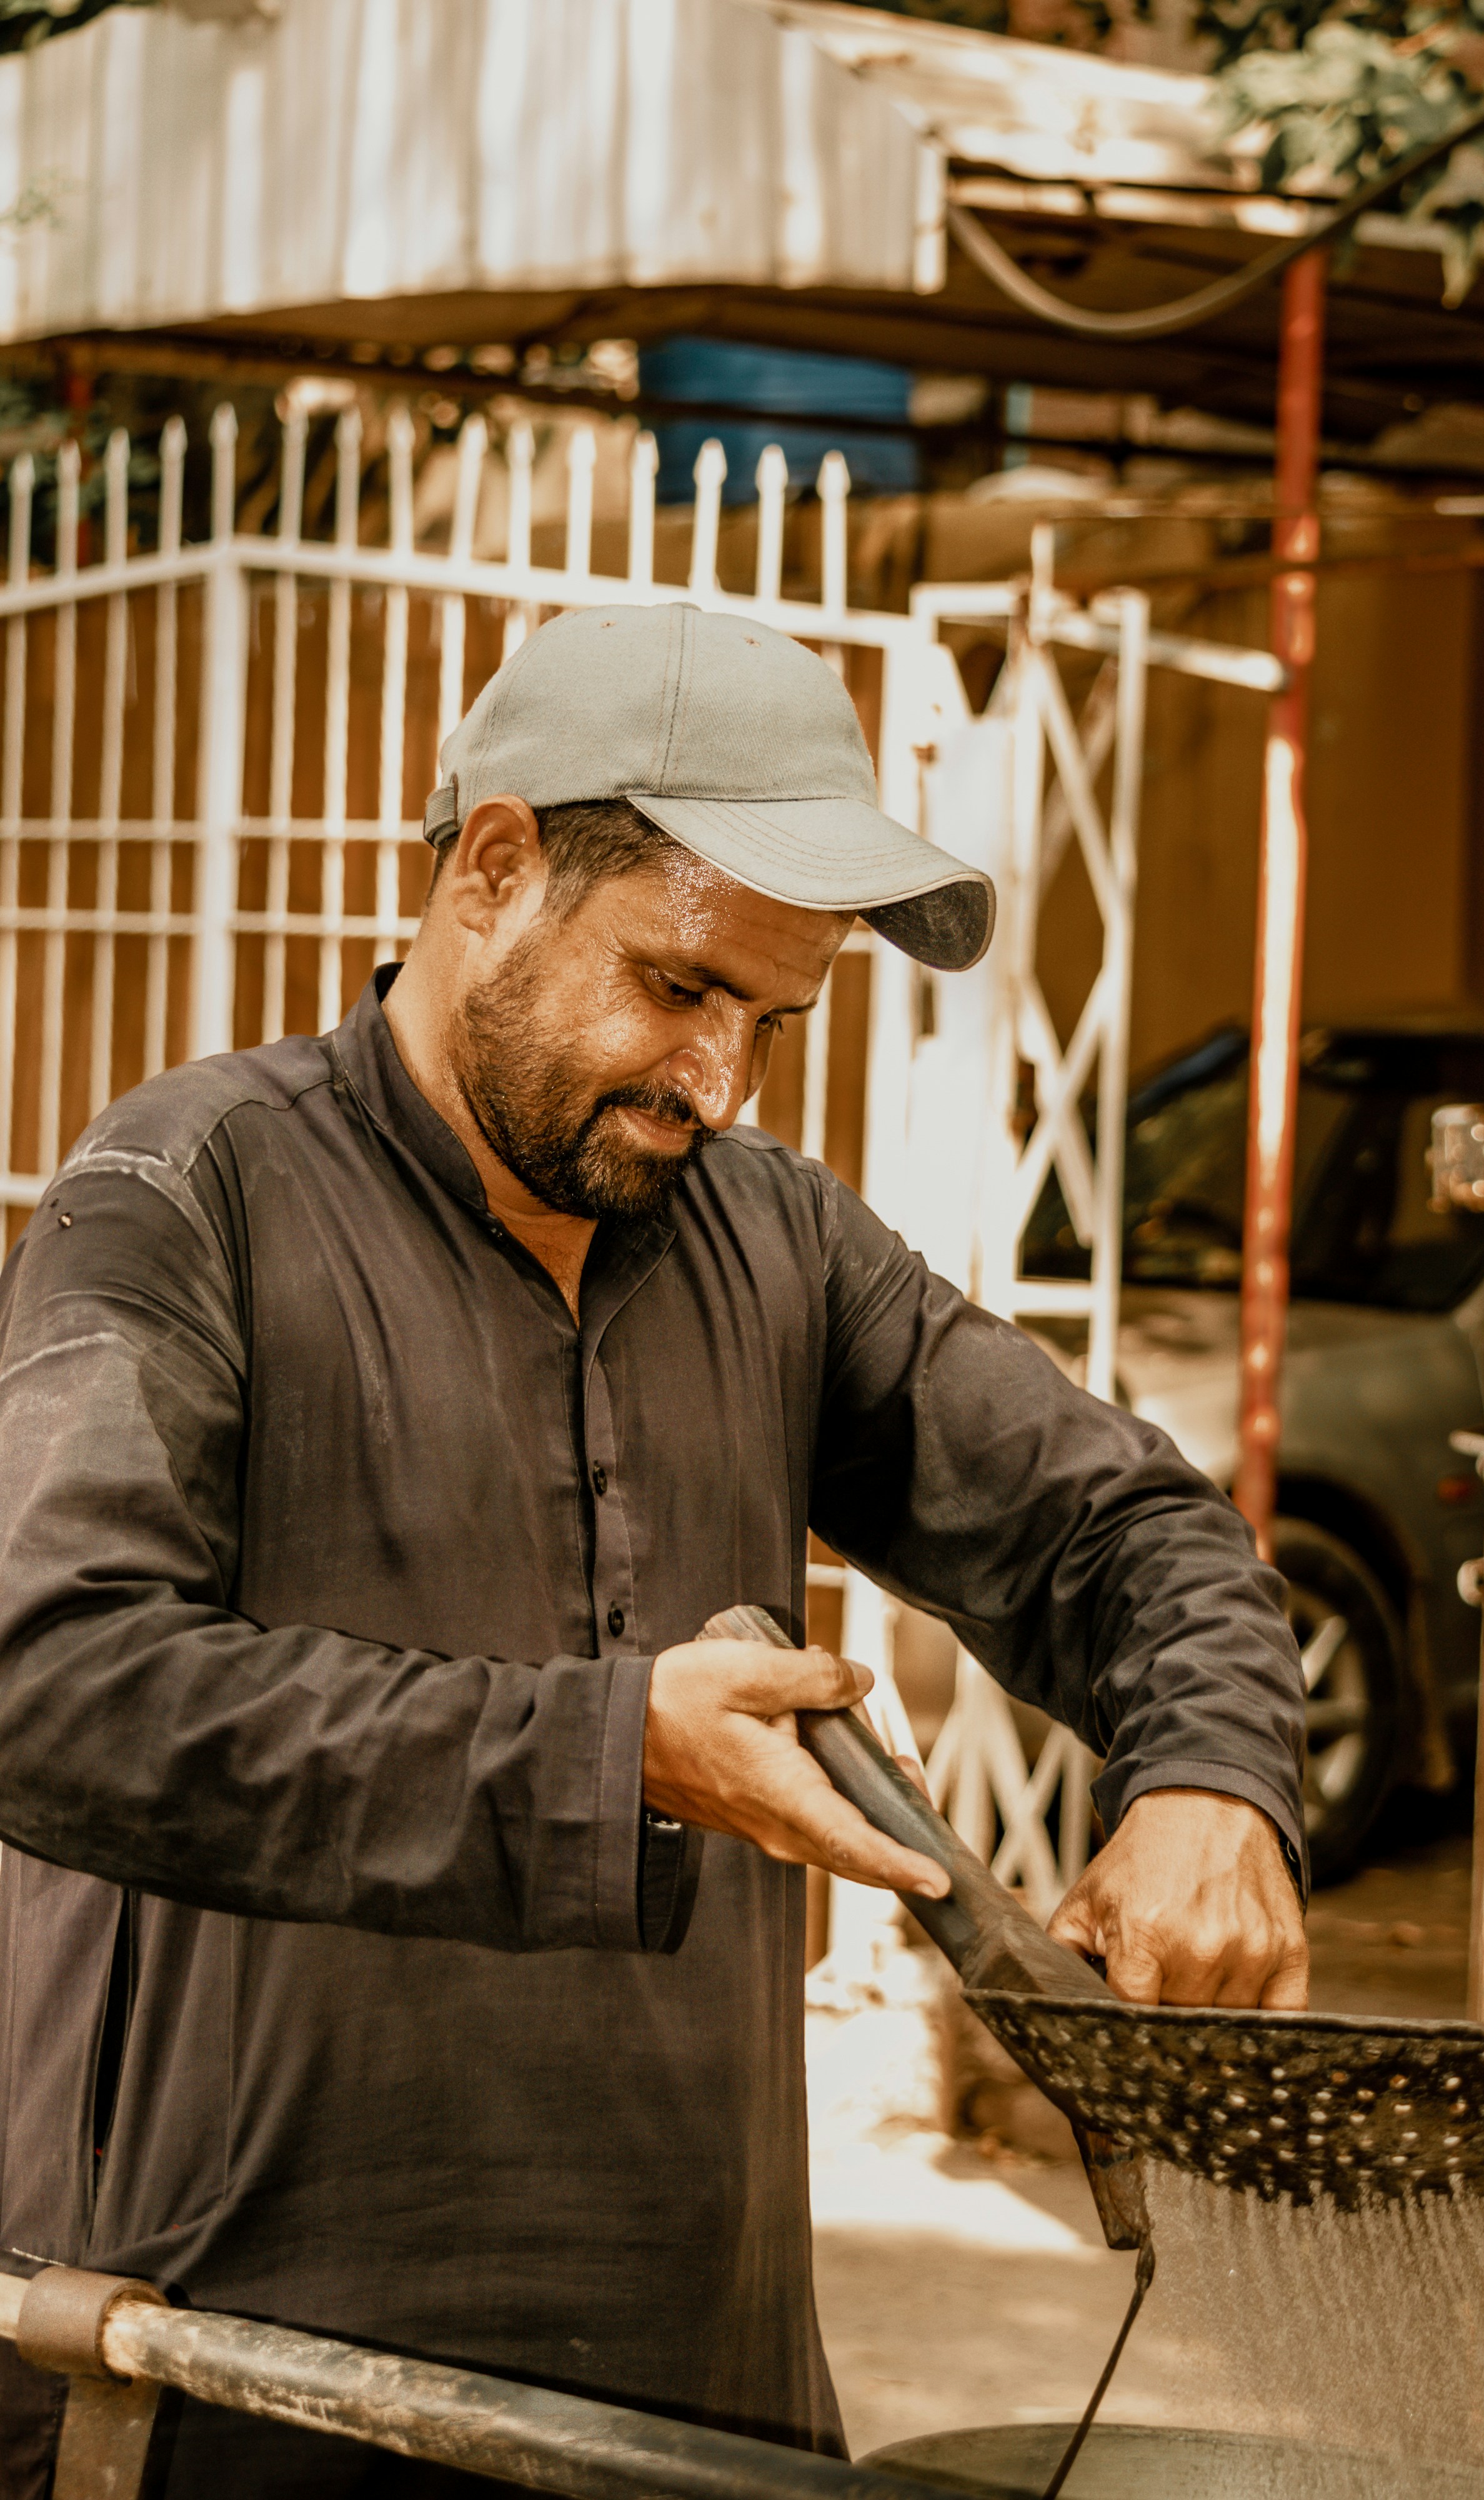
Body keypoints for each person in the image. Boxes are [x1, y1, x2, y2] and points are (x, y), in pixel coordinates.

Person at [0, 602, 1307, 2497]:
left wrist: (1210, 1777)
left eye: (778, 1020)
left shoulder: (770, 1238)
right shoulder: (182, 1198)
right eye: (679, 988)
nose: (724, 1085)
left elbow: (1125, 1526)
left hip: (696, 2398)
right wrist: (602, 1758)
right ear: (495, 871)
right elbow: (52, 1680)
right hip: (221, 2371)